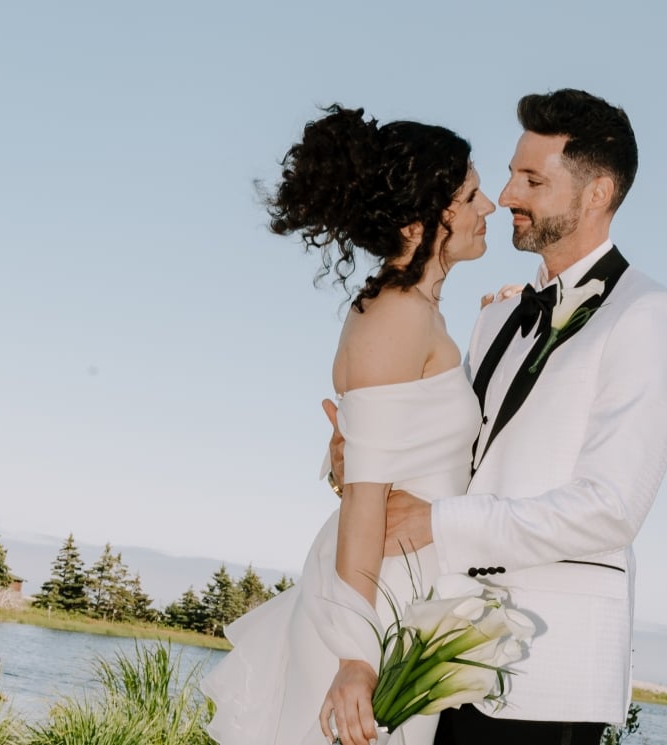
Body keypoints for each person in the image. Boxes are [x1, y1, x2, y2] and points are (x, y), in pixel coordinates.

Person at [326, 89, 667, 744]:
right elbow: (453, 453)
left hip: (548, 668)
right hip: (441, 650)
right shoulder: (494, 317)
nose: (505, 194)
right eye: (507, 173)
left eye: (531, 178)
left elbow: (610, 507)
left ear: (595, 194)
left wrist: (438, 521)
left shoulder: (651, 316)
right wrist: (359, 458)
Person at [200, 105, 494, 745]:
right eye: (471, 194)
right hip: (371, 600)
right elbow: (365, 497)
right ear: (421, 223)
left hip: (406, 589)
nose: (490, 206)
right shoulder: (395, 318)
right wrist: (356, 656)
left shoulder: (418, 314)